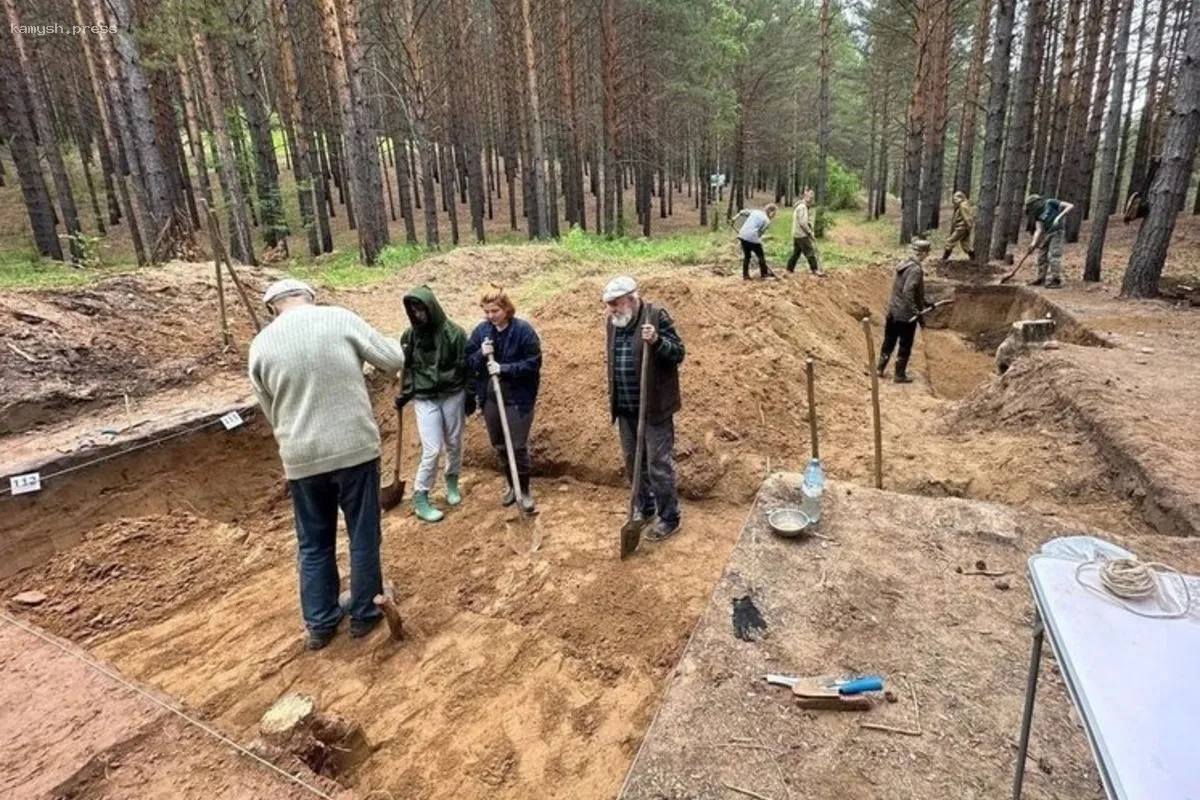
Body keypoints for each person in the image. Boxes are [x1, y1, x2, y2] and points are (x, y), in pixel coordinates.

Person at [248, 279, 405, 650]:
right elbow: (393, 360)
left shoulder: (260, 345)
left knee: (314, 542)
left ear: (273, 308)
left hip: (301, 458)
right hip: (354, 450)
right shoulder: (338, 319)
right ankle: (364, 614)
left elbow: (270, 410)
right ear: (310, 298)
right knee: (362, 533)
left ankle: (320, 623)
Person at [603, 276, 686, 541]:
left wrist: (658, 342)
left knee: (658, 464)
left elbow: (679, 353)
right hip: (626, 407)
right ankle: (645, 508)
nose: (612, 309)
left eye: (616, 304)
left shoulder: (655, 316)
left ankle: (669, 517)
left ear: (632, 298)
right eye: (609, 305)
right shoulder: (613, 323)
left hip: (654, 408)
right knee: (632, 462)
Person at [466, 286, 542, 513]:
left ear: (506, 308)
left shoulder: (523, 331)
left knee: (517, 446)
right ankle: (511, 485)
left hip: (518, 399)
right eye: (487, 311)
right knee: (500, 445)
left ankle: (524, 490)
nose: (490, 316)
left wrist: (504, 368)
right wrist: (481, 353)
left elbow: (533, 363)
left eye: (495, 311)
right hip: (491, 399)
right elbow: (468, 361)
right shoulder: (482, 331)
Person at [396, 286, 469, 523]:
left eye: (421, 308)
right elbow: (408, 370)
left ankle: (452, 482)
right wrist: (405, 394)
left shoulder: (454, 334)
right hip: (425, 398)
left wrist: (469, 396)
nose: (418, 314)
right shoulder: (410, 337)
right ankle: (421, 496)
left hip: (452, 394)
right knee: (432, 449)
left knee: (454, 442)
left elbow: (466, 367)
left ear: (432, 307)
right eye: (413, 309)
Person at [877, 240, 931, 384]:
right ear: (925, 253)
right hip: (906, 316)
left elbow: (909, 291)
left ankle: (879, 369)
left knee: (889, 341)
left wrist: (925, 302)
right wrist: (916, 311)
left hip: (893, 311)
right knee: (905, 344)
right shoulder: (916, 270)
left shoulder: (903, 264)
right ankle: (899, 375)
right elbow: (908, 291)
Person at [1022, 194, 1075, 288]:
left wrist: (1059, 217)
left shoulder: (1050, 202)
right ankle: (1041, 278)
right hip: (1047, 233)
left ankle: (1055, 280)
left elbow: (1070, 206)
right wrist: (1033, 244)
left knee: (1053, 255)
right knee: (1042, 255)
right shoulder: (1036, 214)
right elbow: (1039, 229)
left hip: (1057, 231)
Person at [730, 203, 778, 280]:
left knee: (747, 256)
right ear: (771, 212)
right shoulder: (767, 221)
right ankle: (764, 275)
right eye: (774, 213)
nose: (774, 216)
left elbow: (742, 212)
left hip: (742, 235)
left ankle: (745, 276)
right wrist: (757, 241)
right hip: (752, 237)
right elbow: (759, 233)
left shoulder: (755, 212)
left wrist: (734, 219)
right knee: (761, 256)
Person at [786, 189, 824, 276]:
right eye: (809, 197)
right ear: (805, 196)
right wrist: (809, 232)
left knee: (796, 252)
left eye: (812, 197)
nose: (811, 199)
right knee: (810, 251)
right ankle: (814, 269)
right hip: (801, 234)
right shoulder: (802, 207)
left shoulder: (802, 207)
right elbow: (803, 223)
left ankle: (789, 268)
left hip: (797, 234)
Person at [942, 191, 976, 262]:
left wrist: (969, 226)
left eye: (956, 199)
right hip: (963, 227)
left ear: (960, 198)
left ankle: (944, 259)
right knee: (966, 243)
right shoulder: (962, 205)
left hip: (961, 228)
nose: (954, 201)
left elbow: (967, 217)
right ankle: (973, 259)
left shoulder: (963, 205)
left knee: (950, 241)